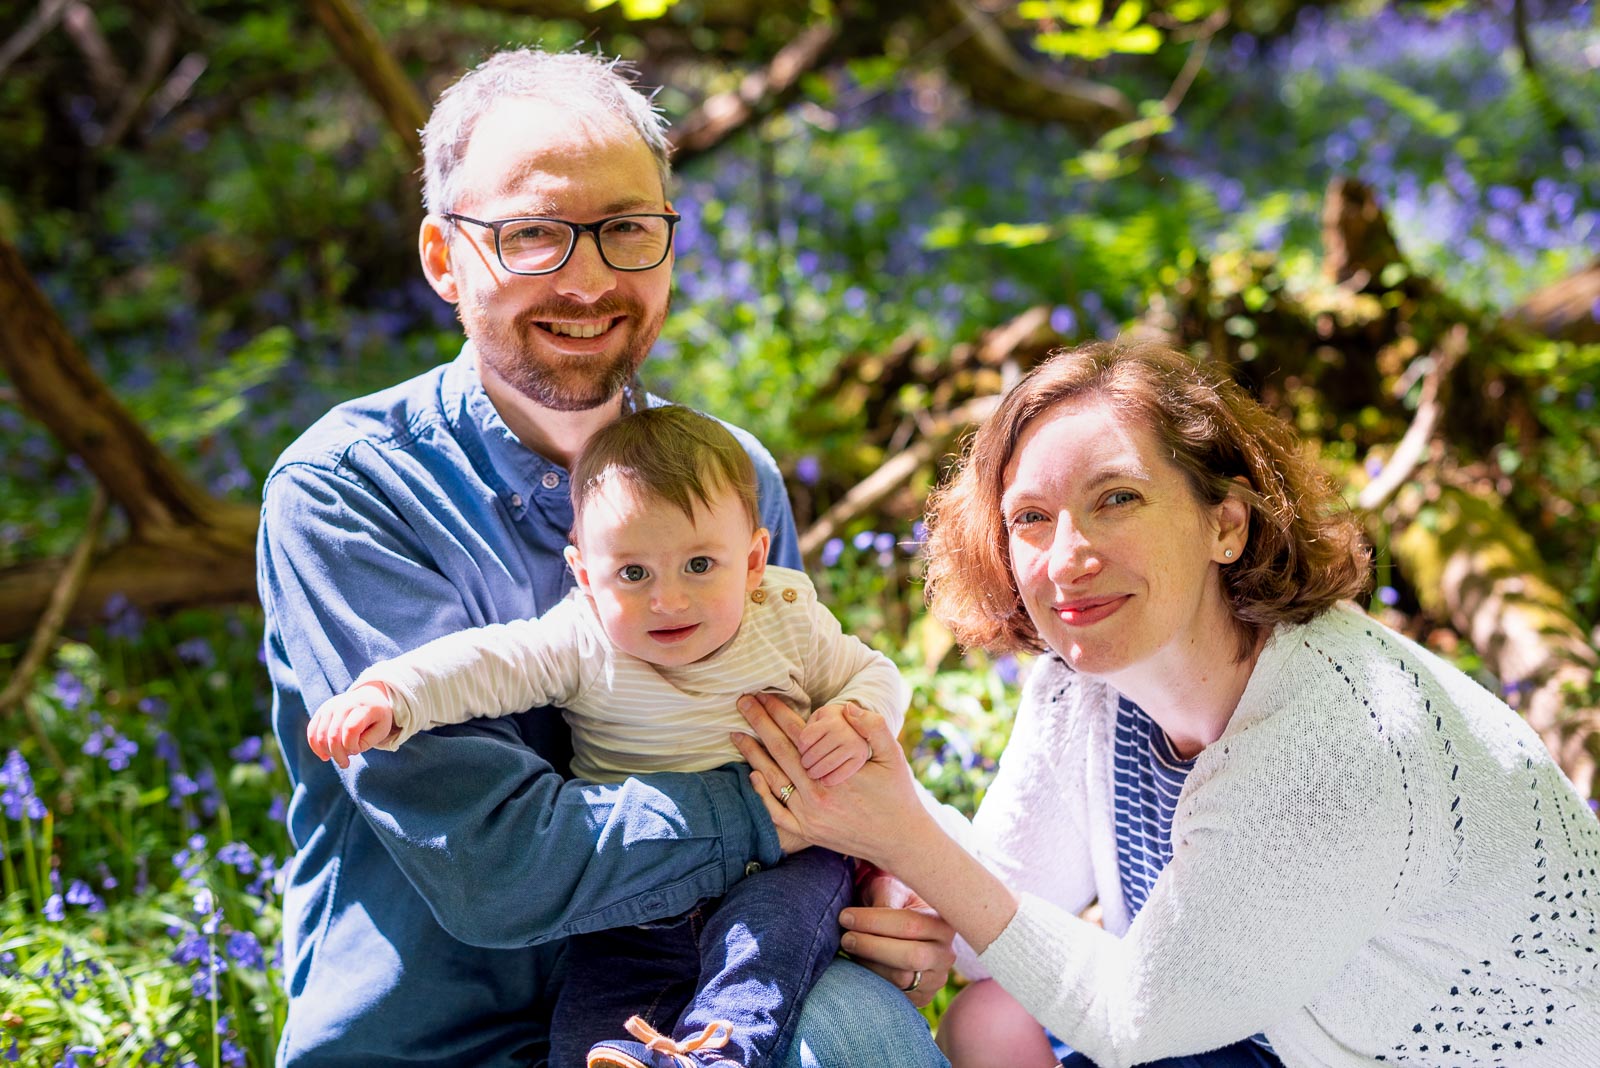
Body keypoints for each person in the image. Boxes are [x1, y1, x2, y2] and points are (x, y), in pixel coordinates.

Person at [258, 47, 952, 1067]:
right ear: (444, 258)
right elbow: (498, 867)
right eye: (533, 234)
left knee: (862, 1030)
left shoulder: (731, 478)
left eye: (625, 229)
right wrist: (781, 813)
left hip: (701, 1003)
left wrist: (886, 885)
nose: (587, 281)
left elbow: (809, 731)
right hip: (446, 1046)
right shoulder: (348, 494)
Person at [733, 338, 1600, 1068]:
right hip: (1242, 1029)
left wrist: (905, 837)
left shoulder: (1333, 739)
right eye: (1032, 518)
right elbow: (990, 909)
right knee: (988, 1020)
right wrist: (866, 803)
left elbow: (1134, 1019)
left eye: (1117, 500)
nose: (1067, 558)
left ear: (1228, 524)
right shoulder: (1086, 681)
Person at [305, 405, 908, 1068]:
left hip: (785, 867)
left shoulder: (787, 621)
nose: (669, 600)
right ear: (586, 576)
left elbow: (875, 675)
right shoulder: (584, 641)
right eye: (634, 574)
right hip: (639, 893)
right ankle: (626, 1056)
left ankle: (720, 1054)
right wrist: (394, 694)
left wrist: (851, 717)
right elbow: (490, 662)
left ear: (755, 559)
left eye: (701, 565)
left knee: (767, 951)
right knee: (602, 1004)